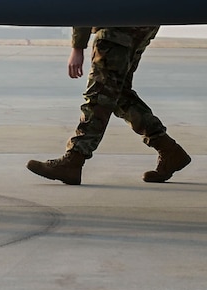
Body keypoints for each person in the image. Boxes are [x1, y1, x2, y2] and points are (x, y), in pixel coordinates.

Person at [26, 26, 191, 185]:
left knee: (101, 93)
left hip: (117, 26)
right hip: (140, 23)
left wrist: (78, 46)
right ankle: (169, 151)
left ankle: (73, 160)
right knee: (118, 94)